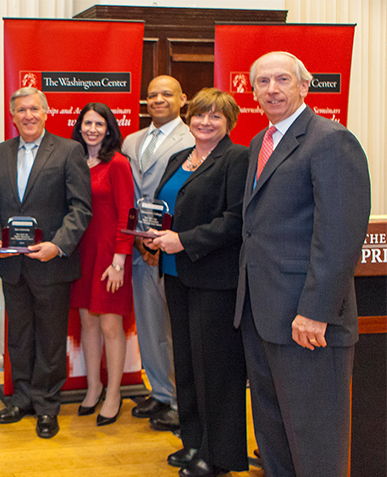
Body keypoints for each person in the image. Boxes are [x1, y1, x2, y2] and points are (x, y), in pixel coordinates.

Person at [234, 51, 370, 477]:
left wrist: (315, 312)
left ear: (304, 87)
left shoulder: (330, 140)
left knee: (316, 446)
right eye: (262, 82)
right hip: (263, 316)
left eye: (282, 80)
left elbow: (339, 235)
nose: (272, 89)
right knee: (274, 437)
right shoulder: (260, 142)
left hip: (308, 323)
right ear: (252, 91)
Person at [144, 88, 249, 477]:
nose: (205, 122)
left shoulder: (236, 159)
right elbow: (165, 208)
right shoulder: (178, 159)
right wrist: (151, 232)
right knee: (186, 365)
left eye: (215, 117)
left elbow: (235, 220)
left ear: (228, 122)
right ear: (189, 118)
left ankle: (219, 455)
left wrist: (184, 240)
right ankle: (193, 443)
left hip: (214, 279)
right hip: (176, 274)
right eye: (200, 115)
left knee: (216, 371)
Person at [0, 87, 92, 439]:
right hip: (13, 265)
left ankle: (47, 405)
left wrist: (57, 246)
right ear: (12, 115)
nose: (28, 115)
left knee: (49, 338)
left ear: (46, 112)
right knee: (18, 336)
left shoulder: (68, 150)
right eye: (21, 110)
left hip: (51, 264)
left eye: (34, 109)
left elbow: (81, 208)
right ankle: (22, 399)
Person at [121, 75, 194, 431]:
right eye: (152, 95)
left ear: (183, 100)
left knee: (177, 326)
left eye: (167, 94)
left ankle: (184, 401)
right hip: (139, 245)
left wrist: (163, 238)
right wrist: (137, 238)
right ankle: (161, 392)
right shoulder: (131, 140)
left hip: (174, 248)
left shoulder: (194, 137)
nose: (159, 100)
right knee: (150, 326)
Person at [68, 103, 133, 426]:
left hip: (110, 257)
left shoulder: (118, 163)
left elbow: (127, 214)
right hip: (81, 254)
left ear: (109, 128)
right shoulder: (74, 161)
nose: (92, 128)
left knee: (110, 326)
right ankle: (93, 387)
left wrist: (119, 261)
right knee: (88, 324)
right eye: (87, 123)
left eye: (99, 123)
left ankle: (114, 393)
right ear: (79, 127)